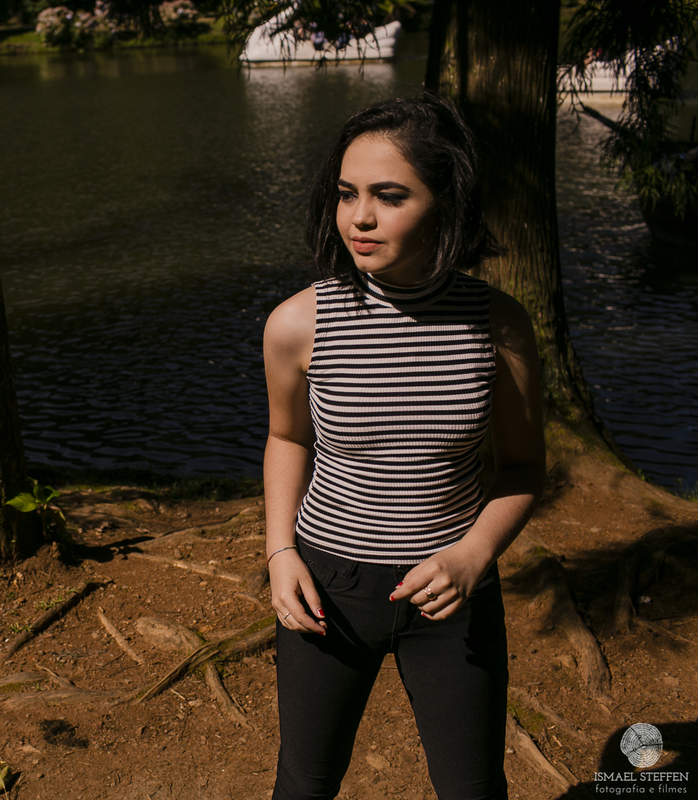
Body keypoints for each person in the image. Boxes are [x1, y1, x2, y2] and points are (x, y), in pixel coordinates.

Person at [262, 92, 545, 800]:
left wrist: (473, 556)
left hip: (452, 593)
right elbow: (287, 436)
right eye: (347, 194)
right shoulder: (299, 324)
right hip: (327, 585)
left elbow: (522, 466)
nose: (359, 216)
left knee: (473, 788)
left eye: (390, 196)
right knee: (304, 782)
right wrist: (280, 553)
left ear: (447, 204)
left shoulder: (500, 328)